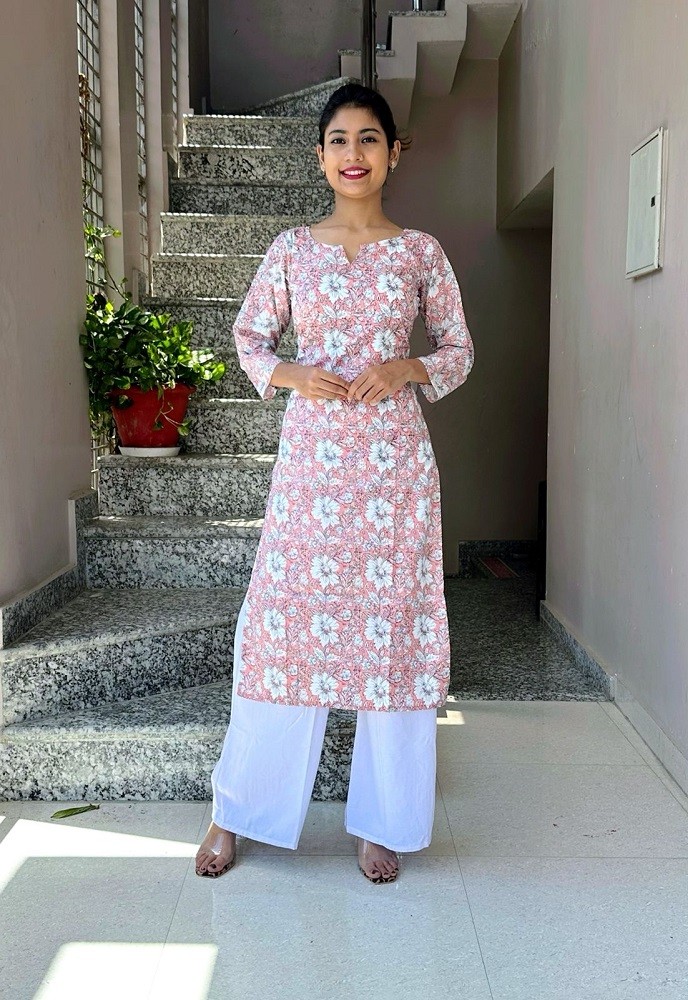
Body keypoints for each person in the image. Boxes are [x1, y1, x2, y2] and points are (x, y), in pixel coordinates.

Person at [195, 82, 474, 883]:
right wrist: (291, 373)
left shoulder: (420, 252)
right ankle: (237, 811)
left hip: (394, 474)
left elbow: (457, 349)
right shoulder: (290, 248)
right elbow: (250, 336)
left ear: (393, 153)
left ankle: (382, 823)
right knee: (281, 631)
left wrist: (407, 366)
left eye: (369, 139)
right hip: (312, 470)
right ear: (320, 156)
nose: (354, 154)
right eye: (340, 140)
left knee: (391, 635)